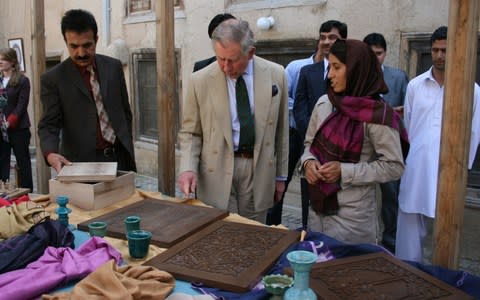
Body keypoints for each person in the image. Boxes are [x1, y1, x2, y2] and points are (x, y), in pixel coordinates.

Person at [177, 19, 289, 223]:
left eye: (232, 60)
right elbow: (190, 132)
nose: (225, 67)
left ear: (251, 53)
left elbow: (282, 132)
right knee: (217, 232)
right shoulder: (199, 80)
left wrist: (281, 177)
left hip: (258, 169)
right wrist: (187, 168)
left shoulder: (276, 74)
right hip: (215, 169)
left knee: (254, 234)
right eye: (220, 59)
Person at [300, 39, 407, 244]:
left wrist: (344, 171)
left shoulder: (376, 114)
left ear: (357, 69)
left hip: (353, 220)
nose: (329, 74)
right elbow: (308, 145)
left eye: (336, 67)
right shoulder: (325, 103)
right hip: (317, 211)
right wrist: (308, 163)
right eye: (329, 66)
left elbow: (394, 166)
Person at [396, 26, 480, 262]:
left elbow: (474, 132)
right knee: (410, 219)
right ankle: (408, 273)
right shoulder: (415, 85)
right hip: (418, 164)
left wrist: (463, 170)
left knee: (447, 226)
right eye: (435, 50)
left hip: (451, 168)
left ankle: (442, 277)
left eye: (445, 50)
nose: (440, 55)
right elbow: (410, 128)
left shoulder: (471, 90)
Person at [269, 20, 347, 227]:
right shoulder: (303, 69)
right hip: (301, 137)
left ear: (343, 41)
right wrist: (311, 136)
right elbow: (297, 105)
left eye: (333, 37)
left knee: (313, 191)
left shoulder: (349, 71)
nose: (327, 42)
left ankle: (309, 230)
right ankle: (273, 227)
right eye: (323, 37)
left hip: (334, 145)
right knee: (281, 182)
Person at [38, 9, 136, 173]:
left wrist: (127, 146)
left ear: (96, 40)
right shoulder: (53, 79)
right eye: (74, 46)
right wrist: (50, 153)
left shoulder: (113, 67)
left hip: (120, 160)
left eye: (87, 45)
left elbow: (125, 112)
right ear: (66, 41)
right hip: (79, 166)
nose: (81, 53)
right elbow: (48, 124)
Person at [363, 32, 409, 252]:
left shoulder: (398, 78)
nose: (375, 58)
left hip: (389, 149)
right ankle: (366, 242)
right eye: (370, 54)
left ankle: (391, 242)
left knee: (391, 197)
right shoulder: (356, 77)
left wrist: (400, 114)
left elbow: (410, 112)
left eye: (379, 53)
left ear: (385, 53)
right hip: (362, 150)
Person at [0, 48, 33, 191]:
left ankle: (27, 193)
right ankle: (3, 193)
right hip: (1, 130)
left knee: (23, 162)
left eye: (3, 59)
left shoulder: (22, 80)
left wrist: (10, 121)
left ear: (12, 61)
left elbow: (22, 105)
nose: (0, 61)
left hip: (19, 129)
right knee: (2, 163)